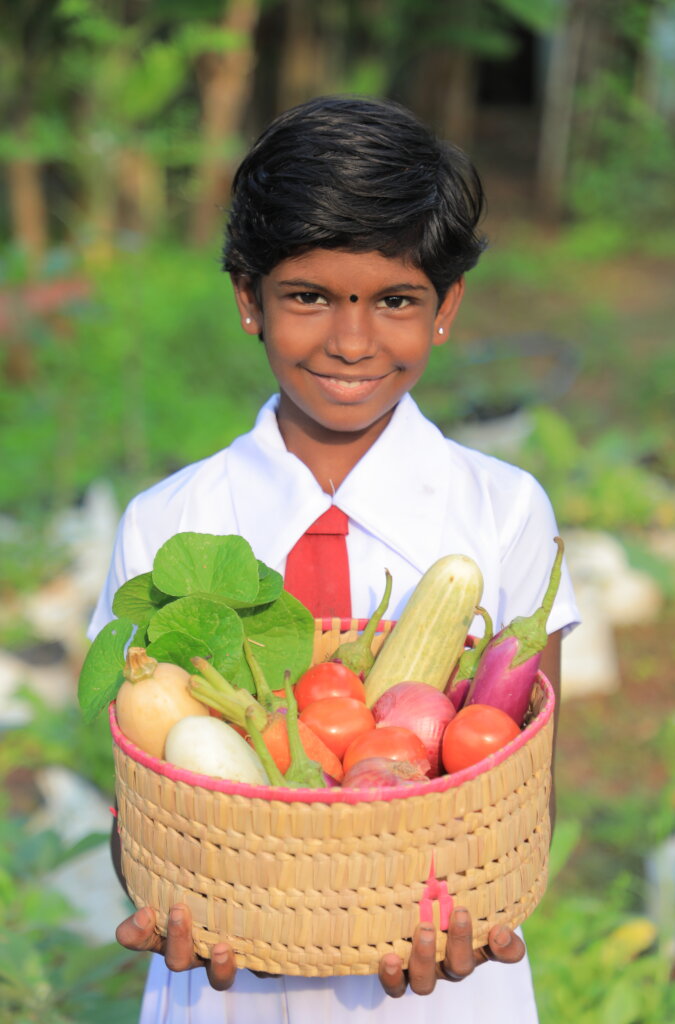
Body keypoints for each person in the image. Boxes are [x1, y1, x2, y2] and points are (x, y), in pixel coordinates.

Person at [89, 95, 580, 1023]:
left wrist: (486, 909)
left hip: (445, 991)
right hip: (225, 991)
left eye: (395, 301)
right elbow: (142, 797)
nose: (352, 342)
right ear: (249, 300)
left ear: (445, 309)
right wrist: (160, 899)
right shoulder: (166, 523)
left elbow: (523, 790)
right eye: (309, 298)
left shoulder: (503, 509)